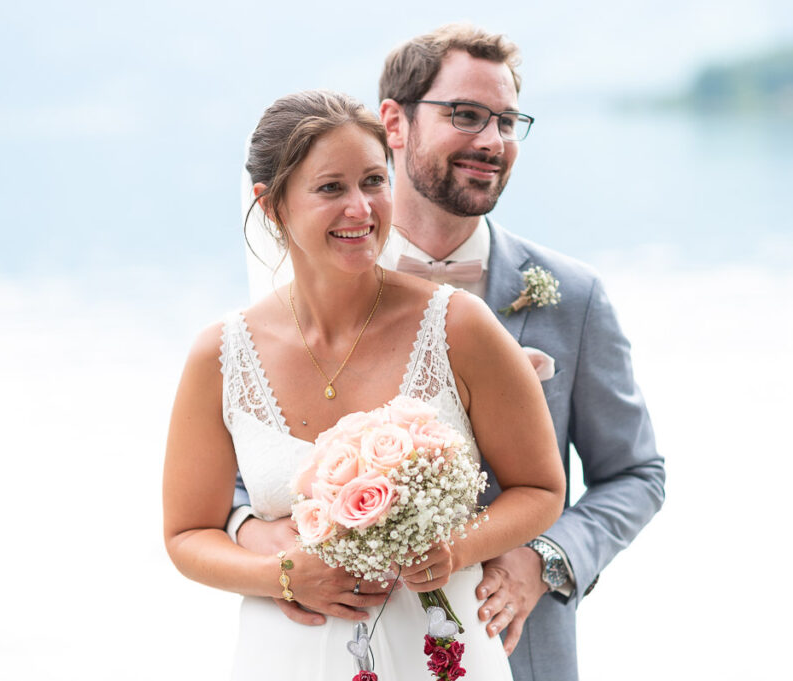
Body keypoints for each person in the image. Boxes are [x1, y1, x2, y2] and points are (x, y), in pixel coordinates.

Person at [236, 25, 667, 681]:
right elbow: (251, 459)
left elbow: (635, 473)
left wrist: (544, 559)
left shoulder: (573, 298)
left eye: (507, 121)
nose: (492, 141)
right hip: (337, 647)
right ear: (395, 122)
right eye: (465, 115)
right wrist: (256, 535)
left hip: (516, 649)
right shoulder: (311, 279)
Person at [163, 89, 566, 680]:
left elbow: (541, 489)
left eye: (374, 181)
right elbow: (187, 535)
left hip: (442, 655)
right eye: (331, 188)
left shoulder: (460, 326)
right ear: (272, 206)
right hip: (287, 659)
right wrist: (282, 575)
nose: (361, 208)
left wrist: (455, 547)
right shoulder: (219, 355)